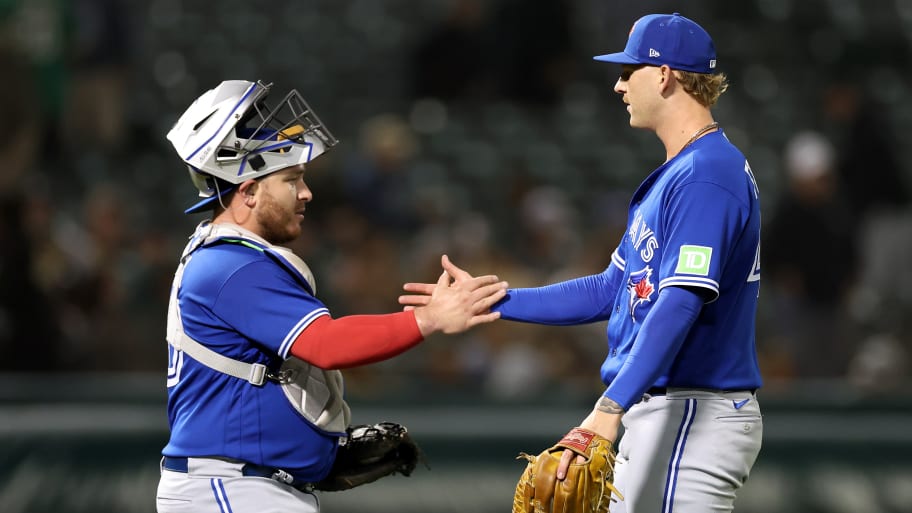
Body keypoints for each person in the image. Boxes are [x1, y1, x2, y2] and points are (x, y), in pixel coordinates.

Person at [401, 13, 762, 512]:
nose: (617, 85)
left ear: (664, 74)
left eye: (628, 70)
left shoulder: (706, 175)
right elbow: (613, 288)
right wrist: (492, 300)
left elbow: (681, 301)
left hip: (691, 408)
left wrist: (609, 408)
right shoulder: (682, 172)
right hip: (669, 408)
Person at [155, 79, 508, 513]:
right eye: (291, 180)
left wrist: (314, 452)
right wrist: (428, 318)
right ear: (247, 192)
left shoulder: (232, 260)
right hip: (232, 487)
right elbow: (327, 344)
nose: (306, 193)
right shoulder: (231, 267)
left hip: (245, 484)